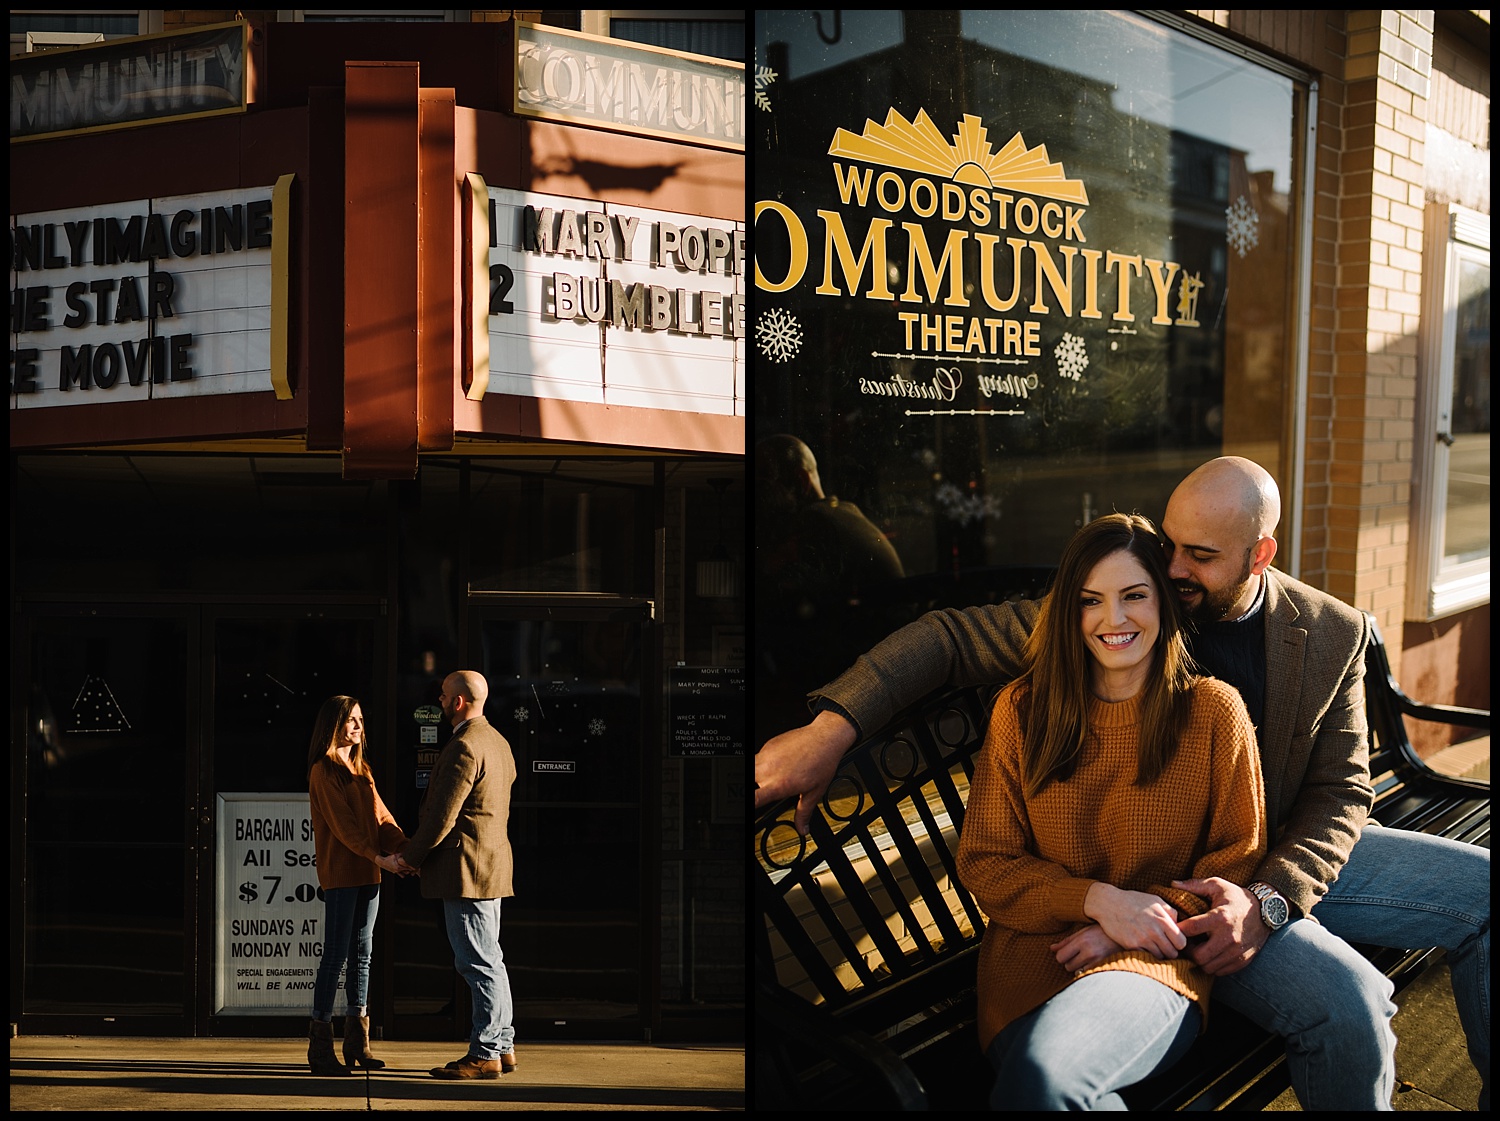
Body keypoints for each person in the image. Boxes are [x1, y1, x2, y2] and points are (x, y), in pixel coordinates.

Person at [755, 456, 1491, 1110]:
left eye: (1200, 555)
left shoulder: (1328, 632)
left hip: (1280, 851)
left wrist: (1267, 902)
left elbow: (1340, 792)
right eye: (1168, 542)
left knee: (1477, 897)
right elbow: (949, 640)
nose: (1172, 568)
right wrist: (833, 727)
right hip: (1152, 891)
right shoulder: (1131, 603)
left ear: (1258, 554)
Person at [957, 512, 1266, 1109]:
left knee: (1046, 1085)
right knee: (1043, 1089)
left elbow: (1239, 855)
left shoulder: (1211, 711)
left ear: (1165, 603)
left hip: (1151, 962)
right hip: (1031, 966)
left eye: (1134, 596)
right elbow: (986, 862)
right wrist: (1097, 900)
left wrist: (1126, 926)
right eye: (1090, 600)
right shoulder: (1021, 713)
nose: (1113, 619)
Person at [394, 670, 519, 1080]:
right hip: (491, 865)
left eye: (445, 695)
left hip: (466, 869)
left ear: (460, 702)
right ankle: (502, 1045)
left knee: (477, 963)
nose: (440, 700)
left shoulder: (465, 745)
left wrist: (411, 857)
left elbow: (442, 817)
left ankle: (485, 1052)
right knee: (491, 959)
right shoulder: (498, 742)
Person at [755, 434, 905, 738]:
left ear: (800, 481)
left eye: (765, 484)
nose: (759, 498)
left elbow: (794, 606)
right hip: (884, 670)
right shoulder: (842, 513)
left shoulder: (815, 523)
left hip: (864, 681)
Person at [305, 695, 411, 1076]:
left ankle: (357, 1042)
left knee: (363, 956)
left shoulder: (362, 769)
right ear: (333, 724)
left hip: (370, 873)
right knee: (335, 956)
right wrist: (379, 856)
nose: (358, 726)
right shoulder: (324, 771)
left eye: (361, 720)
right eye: (350, 720)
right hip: (342, 875)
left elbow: (381, 815)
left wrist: (403, 849)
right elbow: (344, 828)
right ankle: (320, 1048)